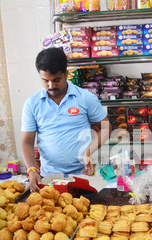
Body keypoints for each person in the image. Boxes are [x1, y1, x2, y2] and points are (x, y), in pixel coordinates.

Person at [21, 47, 111, 192]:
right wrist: (31, 170)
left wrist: (88, 152)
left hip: (83, 177)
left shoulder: (85, 98)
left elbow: (106, 127)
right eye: (45, 81)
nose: (51, 86)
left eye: (56, 80)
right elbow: (26, 142)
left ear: (66, 74)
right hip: (49, 179)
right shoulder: (32, 104)